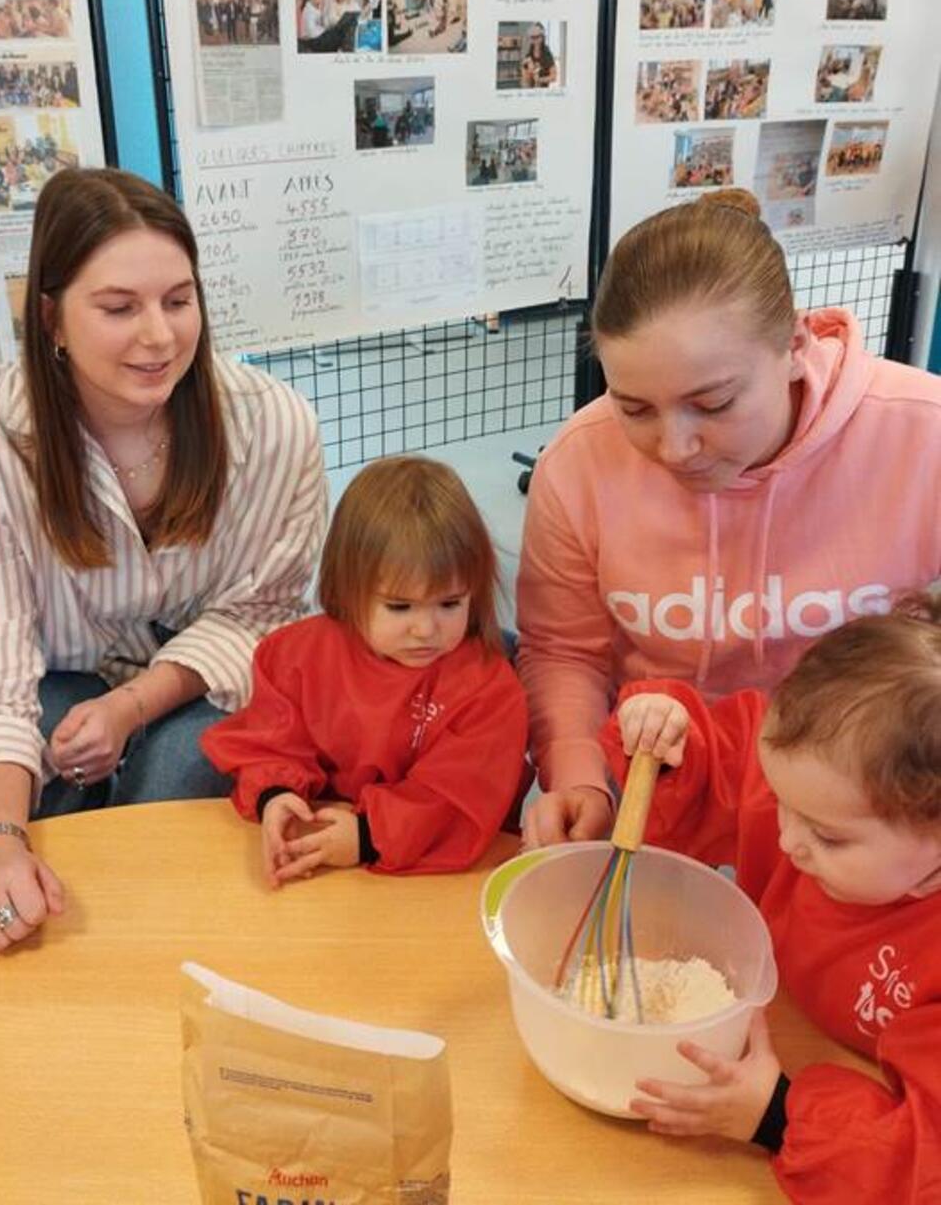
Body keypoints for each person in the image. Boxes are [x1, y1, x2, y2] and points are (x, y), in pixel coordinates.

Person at [0, 167, 327, 952]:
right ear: (53, 318)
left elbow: (260, 613)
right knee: (1, 796)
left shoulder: (274, 425)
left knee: (178, 775)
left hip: (203, 678)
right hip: (56, 682)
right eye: (119, 307)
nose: (160, 336)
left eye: (178, 298)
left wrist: (133, 708)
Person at [516, 188, 941, 847]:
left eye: (712, 404)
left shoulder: (922, 434)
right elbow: (563, 648)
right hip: (655, 793)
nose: (674, 447)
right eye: (633, 408)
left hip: (856, 823)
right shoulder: (579, 462)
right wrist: (577, 774)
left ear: (795, 344)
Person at [601, 594, 941, 1199]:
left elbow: (922, 1162)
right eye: (783, 804)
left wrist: (776, 1114)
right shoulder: (814, 783)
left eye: (827, 837)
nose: (785, 839)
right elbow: (724, 764)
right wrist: (668, 731)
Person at [201, 457, 529, 884]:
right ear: (346, 588)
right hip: (317, 857)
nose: (426, 629)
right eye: (399, 606)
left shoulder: (489, 690)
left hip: (433, 878)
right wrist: (276, 796)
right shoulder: (297, 656)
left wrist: (368, 834)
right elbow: (271, 739)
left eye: (450, 603)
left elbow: (459, 797)